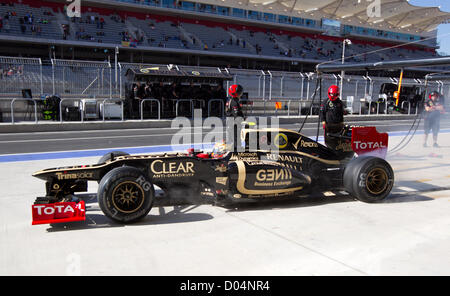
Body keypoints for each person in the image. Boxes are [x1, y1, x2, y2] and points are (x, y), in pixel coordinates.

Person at [320, 85, 345, 150]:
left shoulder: (340, 103)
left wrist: (342, 123)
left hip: (338, 125)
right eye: (331, 94)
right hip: (328, 125)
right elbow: (321, 113)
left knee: (338, 140)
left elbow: (341, 114)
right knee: (328, 141)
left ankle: (337, 151)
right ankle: (329, 150)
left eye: (334, 94)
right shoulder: (325, 102)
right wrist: (323, 122)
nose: (332, 95)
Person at [226, 84, 245, 151]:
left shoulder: (232, 100)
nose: (240, 93)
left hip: (232, 121)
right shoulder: (234, 102)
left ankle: (237, 148)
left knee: (235, 135)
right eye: (239, 92)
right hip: (234, 121)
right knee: (235, 136)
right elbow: (236, 113)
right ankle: (236, 149)